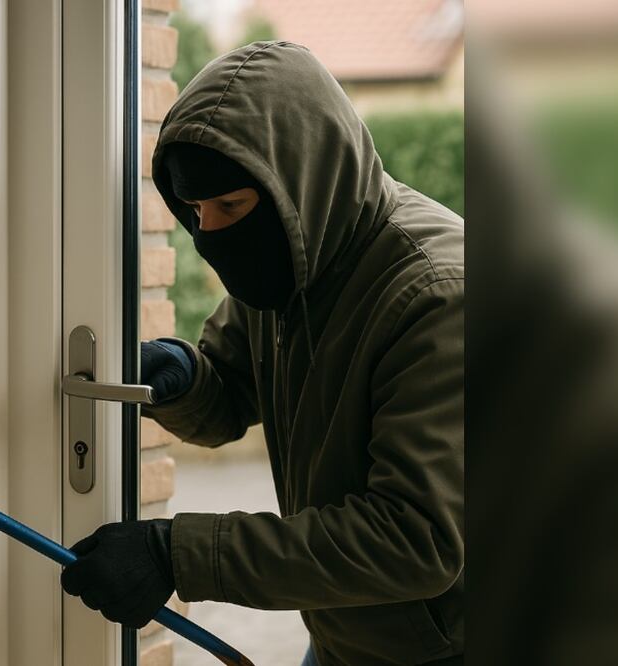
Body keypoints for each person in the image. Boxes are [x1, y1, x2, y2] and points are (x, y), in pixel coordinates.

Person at [60, 41, 464, 665]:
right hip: (350, 631)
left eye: (231, 206)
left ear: (302, 181)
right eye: (195, 210)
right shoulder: (293, 262)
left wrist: (179, 553)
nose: (211, 233)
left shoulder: (437, 297)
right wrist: (185, 380)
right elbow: (229, 399)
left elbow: (416, 539)